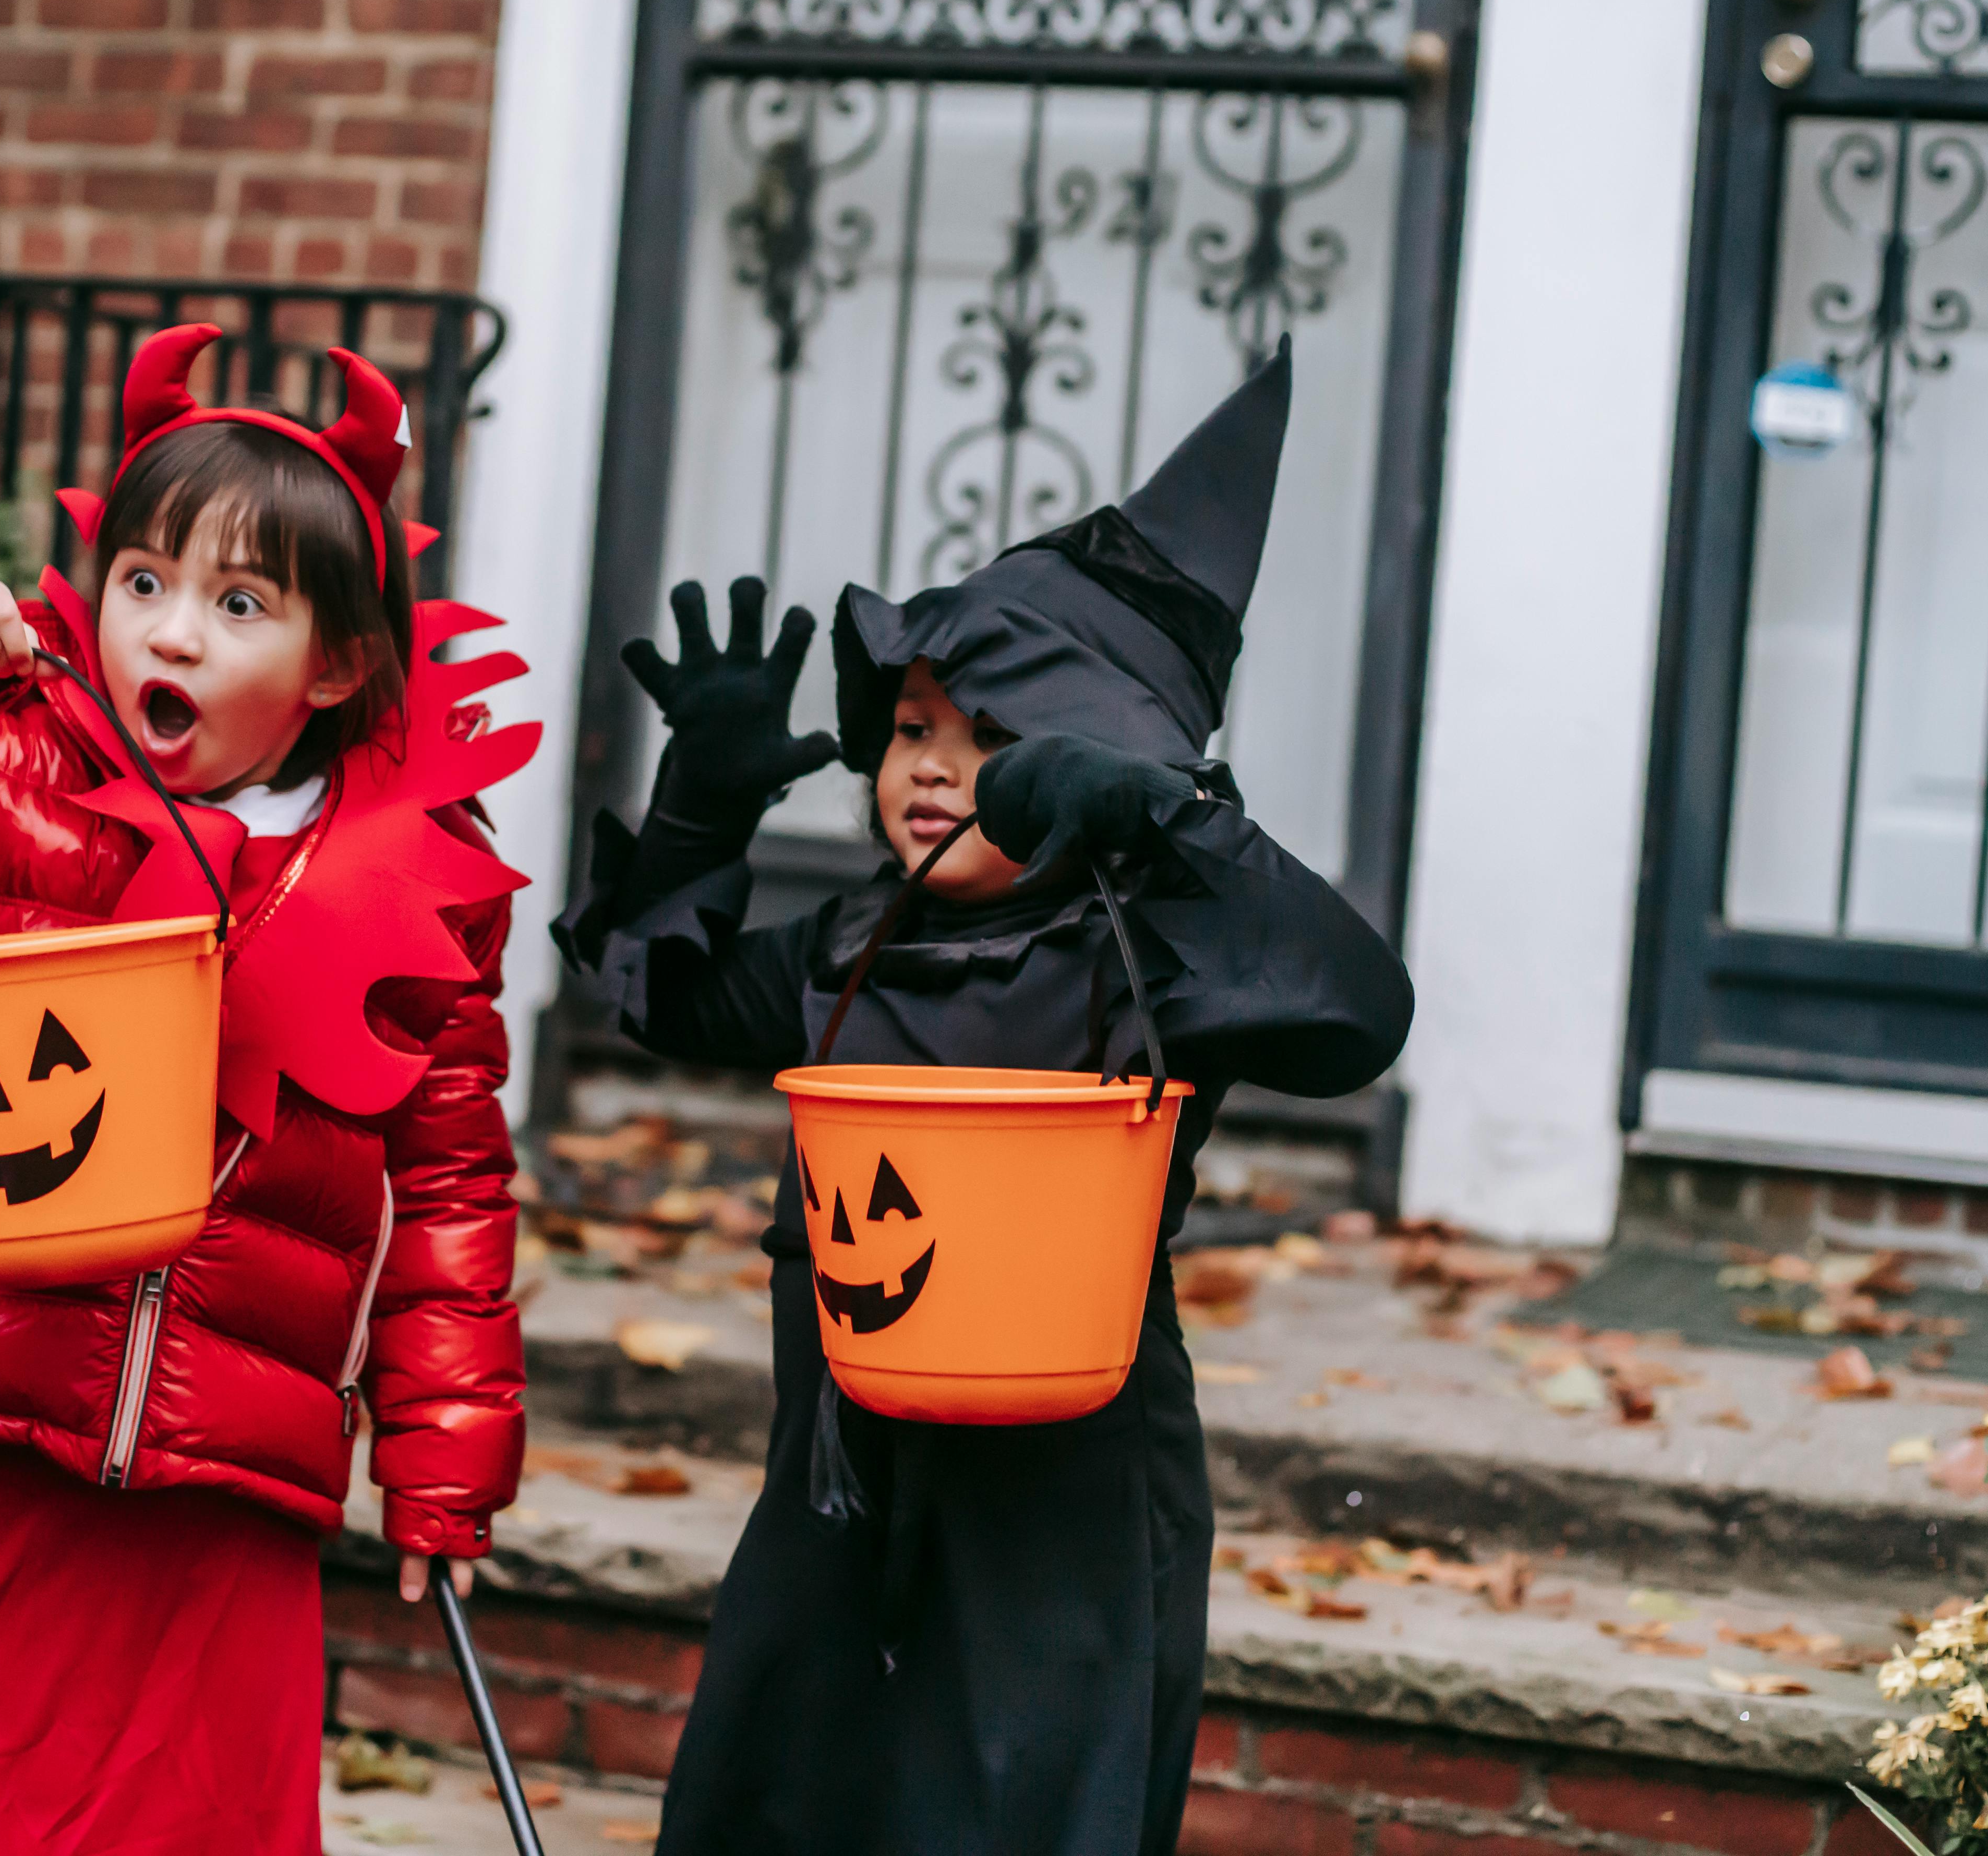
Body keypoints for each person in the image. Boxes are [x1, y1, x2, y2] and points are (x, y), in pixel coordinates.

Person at [0, 323, 538, 1854]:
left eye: (241, 603)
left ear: (337, 667)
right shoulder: (2, 767)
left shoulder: (421, 885)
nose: (176, 634)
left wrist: (445, 1454)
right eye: (145, 584)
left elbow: (457, 1183)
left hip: (226, 1482)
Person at [560, 341, 1414, 1856]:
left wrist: (1178, 826)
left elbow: (1356, 1016)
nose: (934, 770)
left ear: (1095, 765)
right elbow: (656, 1001)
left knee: (1017, 1815)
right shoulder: (846, 944)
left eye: (996, 741)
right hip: (839, 1484)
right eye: (911, 729)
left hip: (1063, 1510)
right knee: (793, 1798)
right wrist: (703, 805)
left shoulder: (1154, 957)